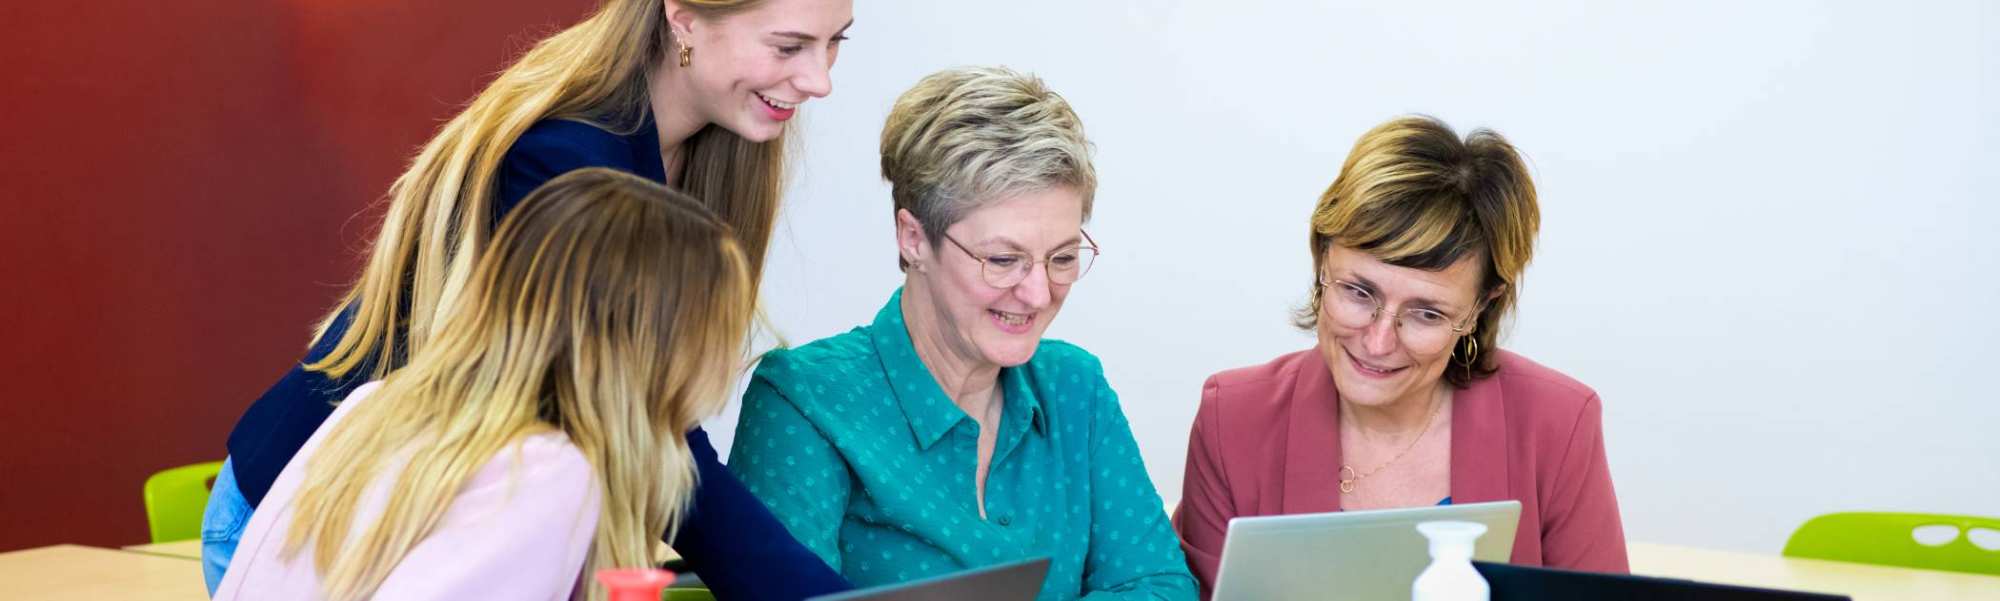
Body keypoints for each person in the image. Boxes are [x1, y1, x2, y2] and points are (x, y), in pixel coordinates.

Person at [204, 0, 855, 597]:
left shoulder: (714, 150)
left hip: (430, 522)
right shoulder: (565, 155)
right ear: (683, 17)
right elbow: (646, 428)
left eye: (834, 44)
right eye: (789, 46)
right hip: (334, 529)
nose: (820, 80)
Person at [727, 66, 1198, 600]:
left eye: (1063, 258)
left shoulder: (1075, 387)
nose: (1039, 294)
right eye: (1002, 260)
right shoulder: (805, 401)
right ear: (913, 238)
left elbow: (1157, 584)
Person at [215, 169, 757, 600]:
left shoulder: (377, 405)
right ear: (653, 344)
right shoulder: (547, 471)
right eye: (724, 328)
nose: (734, 356)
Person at [1171, 116, 1628, 598]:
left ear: (1480, 307)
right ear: (1323, 257)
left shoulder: (1556, 424)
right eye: (1358, 292)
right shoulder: (1233, 419)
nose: (1379, 342)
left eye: (1427, 314)